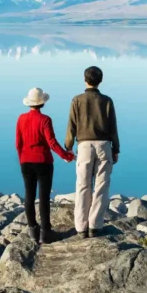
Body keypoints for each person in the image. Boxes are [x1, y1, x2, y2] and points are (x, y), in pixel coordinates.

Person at [65, 66, 120, 238]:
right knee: (102, 186)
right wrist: (116, 149)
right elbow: (113, 128)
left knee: (83, 185)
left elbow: (72, 126)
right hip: (104, 145)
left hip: (84, 146)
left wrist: (68, 146)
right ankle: (95, 225)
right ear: (100, 80)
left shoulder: (77, 100)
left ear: (84, 79)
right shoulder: (107, 101)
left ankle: (81, 227)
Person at [16, 87, 76, 245]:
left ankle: (32, 230)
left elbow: (18, 144)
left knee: (29, 195)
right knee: (43, 197)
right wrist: (66, 155)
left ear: (29, 103)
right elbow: (52, 143)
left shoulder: (21, 119)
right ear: (42, 103)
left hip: (26, 162)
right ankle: (45, 233)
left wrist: (22, 158)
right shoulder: (45, 120)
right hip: (43, 162)